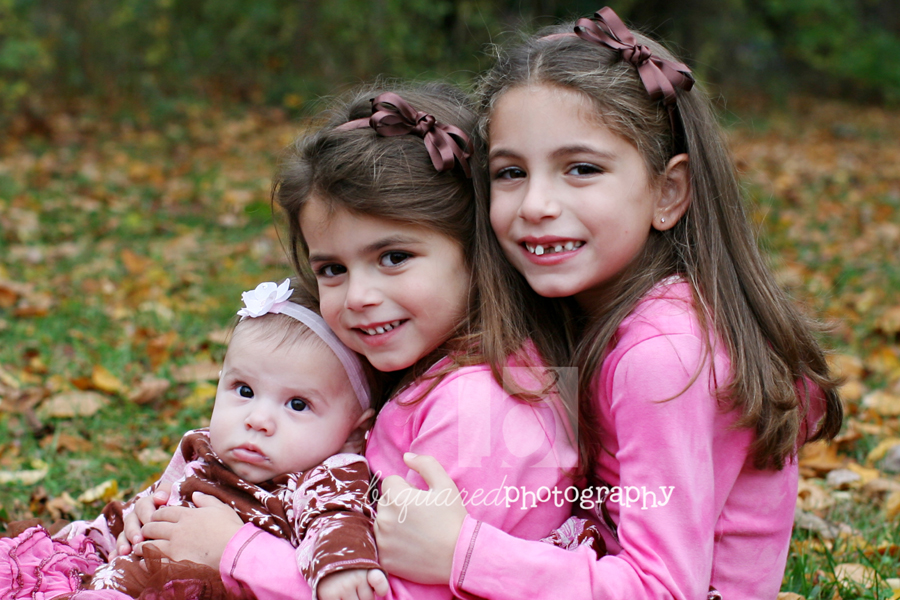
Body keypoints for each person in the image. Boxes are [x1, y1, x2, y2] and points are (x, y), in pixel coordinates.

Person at [371, 7, 843, 600]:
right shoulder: (596, 313)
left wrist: (462, 552)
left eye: (581, 168)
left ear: (668, 192)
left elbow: (664, 588)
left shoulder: (664, 356)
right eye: (511, 172)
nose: (536, 204)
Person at [117, 82, 580, 600]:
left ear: (477, 250)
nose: (358, 297)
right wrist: (179, 507)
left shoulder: (477, 407)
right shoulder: (425, 367)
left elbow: (405, 593)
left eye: (394, 257)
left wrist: (236, 551)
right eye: (333, 269)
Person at [1, 279, 389, 600]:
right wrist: (110, 531)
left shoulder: (326, 476)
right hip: (120, 574)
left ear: (354, 433)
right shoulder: (203, 448)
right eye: (244, 391)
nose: (257, 420)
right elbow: (153, 502)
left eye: (298, 404)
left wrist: (341, 570)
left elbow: (336, 521)